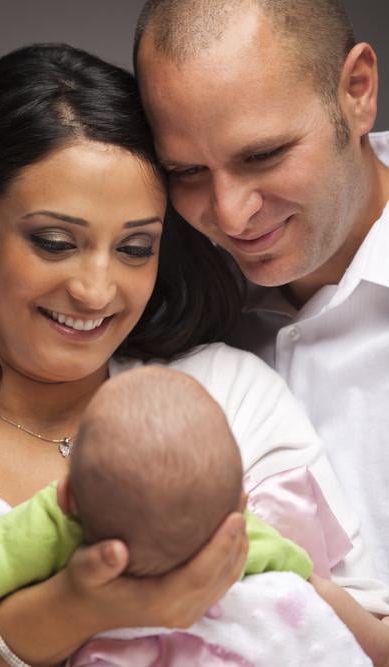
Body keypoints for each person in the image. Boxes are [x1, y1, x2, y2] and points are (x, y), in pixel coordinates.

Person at [0, 39, 387, 665]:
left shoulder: (228, 391)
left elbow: (353, 639)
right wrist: (77, 605)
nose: (95, 290)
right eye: (54, 241)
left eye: (134, 248)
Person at [133, 0, 389, 587]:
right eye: (188, 171)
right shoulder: (150, 287)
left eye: (263, 155)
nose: (230, 215)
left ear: (357, 91)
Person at [0, 367, 385, 665]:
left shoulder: (55, 528)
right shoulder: (237, 540)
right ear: (238, 505)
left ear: (66, 496)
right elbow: (321, 595)